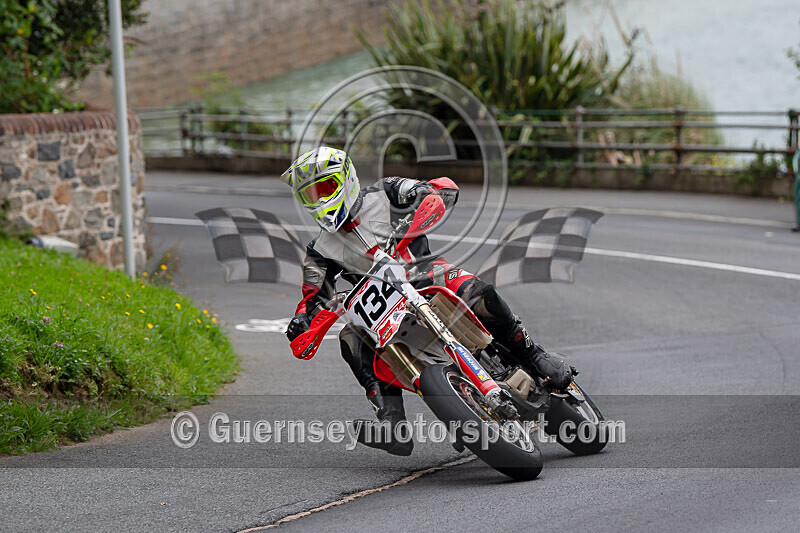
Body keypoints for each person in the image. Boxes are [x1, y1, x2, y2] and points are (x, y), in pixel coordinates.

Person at [282, 147, 575, 455]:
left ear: (346, 179)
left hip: (428, 277)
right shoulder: (319, 250)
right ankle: (391, 423)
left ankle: (533, 355)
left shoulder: (385, 191)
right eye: (310, 195)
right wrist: (302, 319)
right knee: (350, 338)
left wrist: (424, 194)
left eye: (325, 188)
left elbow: (431, 189)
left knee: (479, 293)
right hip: (384, 312)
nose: (319, 200)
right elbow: (312, 294)